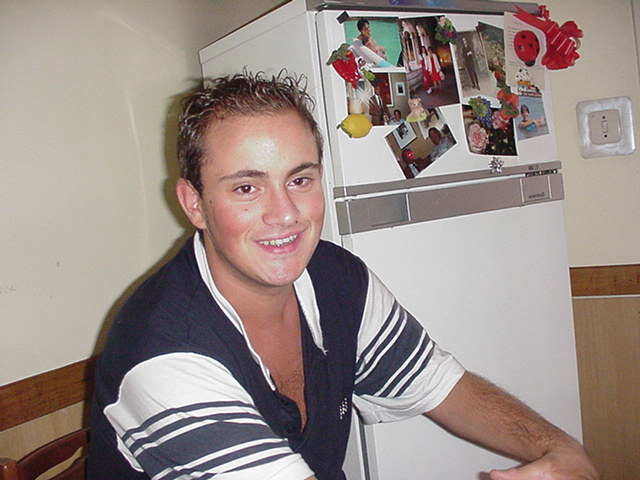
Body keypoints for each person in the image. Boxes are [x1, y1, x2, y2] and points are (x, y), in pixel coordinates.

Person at [87, 71, 599, 480]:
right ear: (194, 203)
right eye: (247, 188)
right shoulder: (165, 356)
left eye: (299, 179)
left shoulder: (335, 278)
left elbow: (444, 387)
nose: (285, 214)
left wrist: (561, 449)